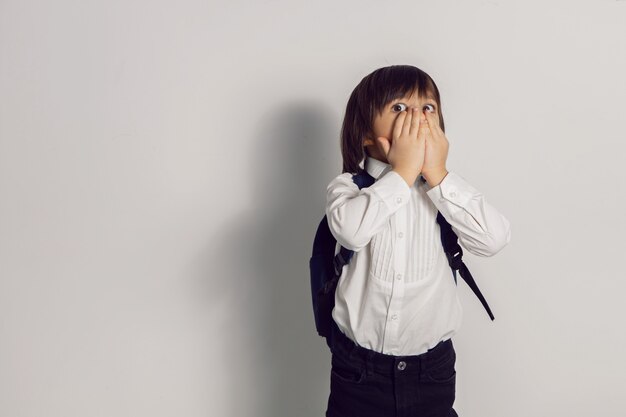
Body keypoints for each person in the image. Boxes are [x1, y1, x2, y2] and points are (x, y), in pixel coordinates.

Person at [324, 65, 511, 417]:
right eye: (399, 108)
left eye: (428, 108)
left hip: (432, 372)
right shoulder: (348, 188)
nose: (418, 118)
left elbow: (494, 238)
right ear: (365, 132)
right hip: (359, 372)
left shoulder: (445, 191)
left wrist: (436, 175)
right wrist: (403, 171)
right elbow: (351, 230)